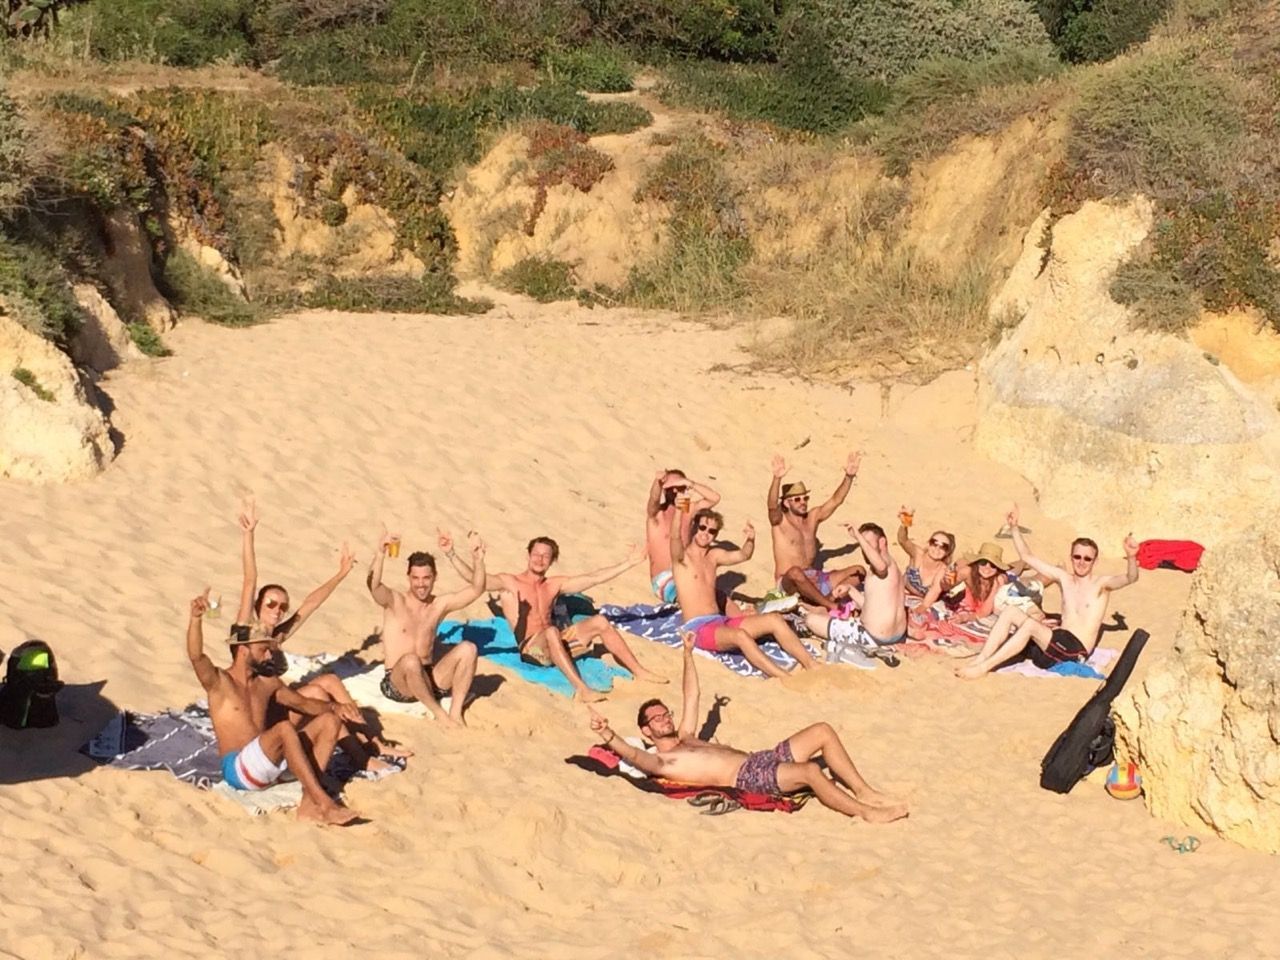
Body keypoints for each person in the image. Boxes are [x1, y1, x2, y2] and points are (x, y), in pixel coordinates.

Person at [586, 631, 907, 822]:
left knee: (821, 729)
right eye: (656, 719)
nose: (664, 718)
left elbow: (692, 694)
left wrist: (687, 653)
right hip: (749, 777)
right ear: (646, 731)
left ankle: (865, 791)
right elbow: (634, 757)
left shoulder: (686, 736)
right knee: (810, 771)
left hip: (761, 758)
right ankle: (864, 812)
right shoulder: (662, 761)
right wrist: (608, 734)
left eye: (664, 713)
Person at [232, 499, 404, 768]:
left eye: (282, 606)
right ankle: (361, 758)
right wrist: (249, 534)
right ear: (257, 606)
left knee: (331, 680)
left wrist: (340, 574)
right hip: (260, 717)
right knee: (322, 695)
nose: (278, 610)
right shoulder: (246, 631)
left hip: (277, 705)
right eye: (271, 604)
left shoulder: (275, 637)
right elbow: (249, 580)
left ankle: (372, 740)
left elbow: (309, 605)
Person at [185, 589, 363, 826]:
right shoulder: (220, 683)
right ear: (243, 649)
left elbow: (303, 704)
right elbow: (197, 657)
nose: (269, 654)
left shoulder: (267, 683)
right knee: (284, 729)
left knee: (330, 721)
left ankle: (308, 807)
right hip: (239, 769)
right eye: (263, 649)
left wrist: (335, 706)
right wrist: (196, 619)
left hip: (269, 763)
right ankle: (325, 803)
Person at [448, 536, 664, 703]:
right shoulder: (510, 583)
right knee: (551, 632)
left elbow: (594, 578)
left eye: (545, 556)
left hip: (556, 641)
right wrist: (453, 555)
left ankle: (638, 670)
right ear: (528, 555)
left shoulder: (553, 584)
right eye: (536, 554)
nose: (540, 559)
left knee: (600, 622)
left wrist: (629, 563)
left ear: (552, 561)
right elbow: (476, 580)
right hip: (532, 649)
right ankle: (582, 690)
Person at [956, 506, 1140, 679]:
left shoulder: (1101, 585)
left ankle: (983, 668)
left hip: (1075, 651)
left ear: (1094, 561)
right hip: (1054, 645)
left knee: (1029, 625)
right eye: (1077, 557)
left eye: (1087, 558)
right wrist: (1014, 529)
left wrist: (1131, 556)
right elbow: (1027, 557)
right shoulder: (1064, 578)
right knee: (1011, 611)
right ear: (1071, 557)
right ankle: (979, 660)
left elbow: (1130, 578)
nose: (1081, 562)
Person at [671, 507, 818, 677]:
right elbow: (675, 537)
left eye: (712, 531)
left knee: (774, 619)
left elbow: (743, 555)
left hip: (720, 620)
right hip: (697, 628)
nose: (706, 533)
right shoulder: (682, 558)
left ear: (715, 535)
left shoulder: (713, 556)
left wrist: (750, 540)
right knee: (740, 636)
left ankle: (811, 664)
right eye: (702, 527)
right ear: (694, 527)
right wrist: (679, 511)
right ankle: (783, 676)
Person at [366, 527, 485, 727]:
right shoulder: (395, 601)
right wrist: (380, 554)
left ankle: (455, 713)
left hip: (429, 677)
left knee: (469, 648)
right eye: (416, 578)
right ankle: (440, 714)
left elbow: (477, 589)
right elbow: (374, 586)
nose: (421, 584)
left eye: (426, 578)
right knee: (411, 661)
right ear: (409, 578)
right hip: (399, 682)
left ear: (434, 578)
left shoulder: (438, 605)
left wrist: (474, 559)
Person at [767, 453, 867, 610]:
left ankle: (823, 600)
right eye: (797, 499)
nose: (803, 502)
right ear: (786, 503)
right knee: (795, 572)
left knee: (859, 571)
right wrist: (776, 479)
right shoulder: (780, 522)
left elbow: (835, 501)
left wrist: (849, 477)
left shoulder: (812, 518)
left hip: (814, 578)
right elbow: (772, 507)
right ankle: (830, 604)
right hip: (789, 584)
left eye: (805, 498)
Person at [804, 523, 907, 656]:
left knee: (811, 620)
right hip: (897, 636)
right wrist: (850, 589)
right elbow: (873, 607)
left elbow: (881, 567)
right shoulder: (893, 567)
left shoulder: (883, 563)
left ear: (882, 542)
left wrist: (858, 536)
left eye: (867, 543)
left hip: (872, 637)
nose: (864, 549)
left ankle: (855, 647)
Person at [645, 469, 720, 605]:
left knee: (716, 595)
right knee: (696, 596)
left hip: (685, 572)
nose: (674, 491)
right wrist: (658, 482)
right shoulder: (658, 514)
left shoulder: (688, 511)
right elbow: (653, 499)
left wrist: (690, 483)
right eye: (670, 487)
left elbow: (714, 498)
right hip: (664, 579)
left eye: (678, 487)